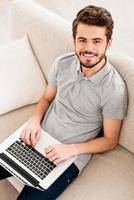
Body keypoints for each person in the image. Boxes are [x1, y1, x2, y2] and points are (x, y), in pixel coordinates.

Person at [0, 5, 127, 200]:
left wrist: (71, 149)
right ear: (74, 40)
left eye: (97, 41)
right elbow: (47, 97)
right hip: (37, 140)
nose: (89, 48)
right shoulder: (62, 63)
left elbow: (110, 140)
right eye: (82, 40)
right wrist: (34, 120)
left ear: (109, 43)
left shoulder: (114, 89)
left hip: (69, 158)